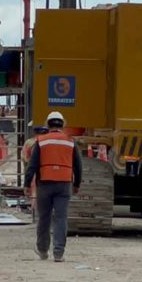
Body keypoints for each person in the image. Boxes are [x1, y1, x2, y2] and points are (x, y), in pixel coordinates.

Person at [25, 111, 81, 262]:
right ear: (63, 124)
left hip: (45, 184)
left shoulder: (41, 141)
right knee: (61, 218)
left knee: (44, 217)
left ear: (47, 124)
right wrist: (76, 184)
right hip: (64, 184)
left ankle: (43, 251)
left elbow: (32, 165)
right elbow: (78, 165)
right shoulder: (70, 142)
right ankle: (58, 253)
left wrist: (26, 185)